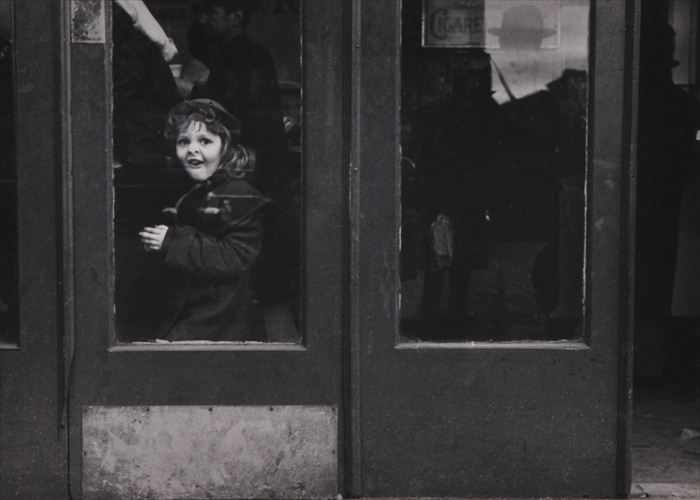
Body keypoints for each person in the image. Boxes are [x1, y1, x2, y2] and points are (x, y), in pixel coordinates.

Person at [138, 99, 269, 341]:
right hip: (195, 306)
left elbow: (235, 256)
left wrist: (172, 242)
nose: (192, 149)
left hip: (221, 317)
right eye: (183, 141)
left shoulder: (239, 195)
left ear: (225, 148)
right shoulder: (196, 191)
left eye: (205, 141)